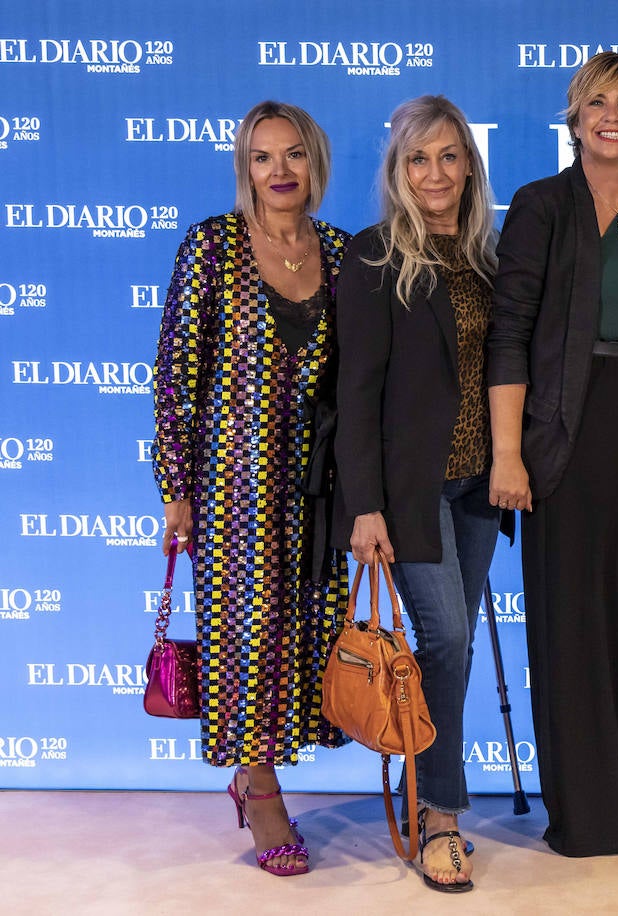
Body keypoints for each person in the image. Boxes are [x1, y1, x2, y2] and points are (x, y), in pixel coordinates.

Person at [486, 51, 618, 857]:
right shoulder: (543, 205)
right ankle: (594, 811)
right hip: (566, 435)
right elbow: (509, 335)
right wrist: (509, 453)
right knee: (576, 622)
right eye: (597, 102)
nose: (613, 115)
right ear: (575, 118)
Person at [152, 100, 350, 877]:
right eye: (263, 157)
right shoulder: (213, 246)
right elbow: (174, 377)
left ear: (315, 163)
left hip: (319, 479)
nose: (280, 172)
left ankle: (270, 762)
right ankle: (258, 785)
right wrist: (177, 489)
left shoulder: (339, 252)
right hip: (233, 481)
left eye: (293, 155)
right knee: (245, 633)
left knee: (306, 628)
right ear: (245, 167)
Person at [334, 95, 506, 892]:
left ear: (468, 163)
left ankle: (430, 796)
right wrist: (363, 503)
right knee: (445, 642)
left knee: (451, 651)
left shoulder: (489, 255)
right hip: (410, 492)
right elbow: (356, 391)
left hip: (479, 488)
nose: (435, 172)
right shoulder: (372, 257)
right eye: (418, 158)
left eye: (448, 156)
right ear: (398, 170)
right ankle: (441, 817)